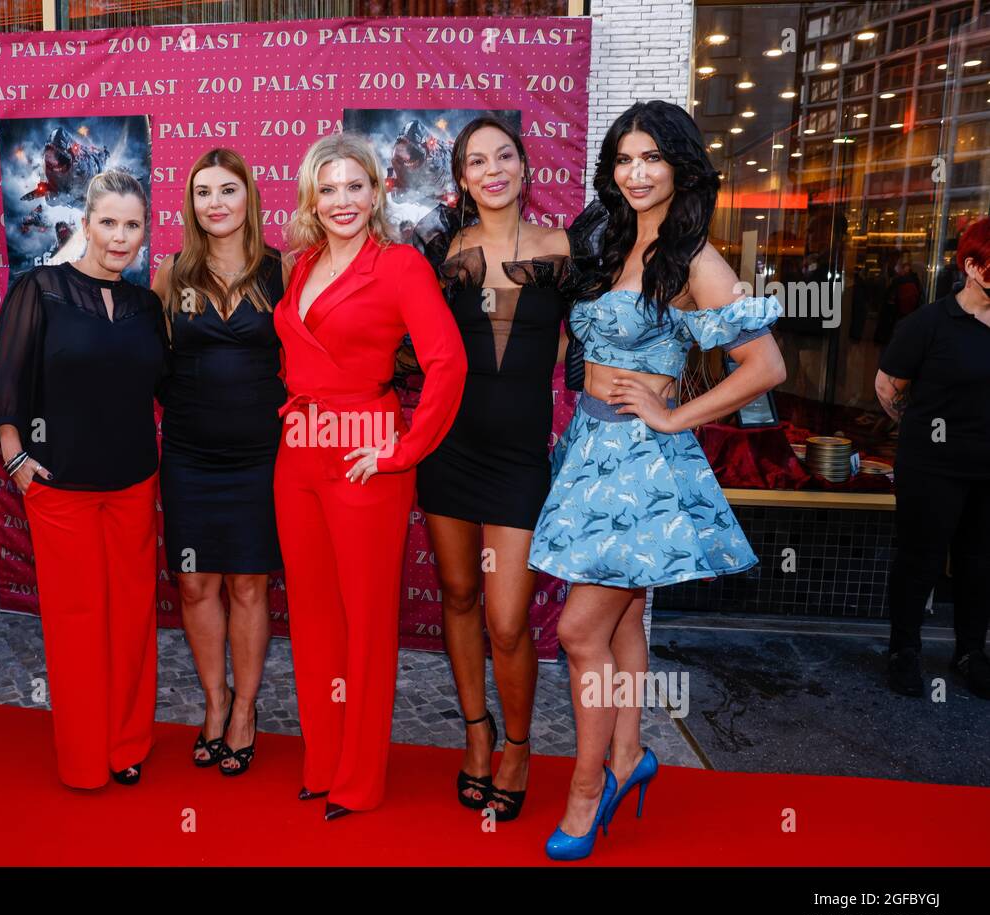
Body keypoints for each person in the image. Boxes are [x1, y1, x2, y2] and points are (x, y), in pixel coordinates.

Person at [528, 101, 785, 860]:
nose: (636, 173)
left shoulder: (695, 259)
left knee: (579, 629)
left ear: (680, 165)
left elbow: (766, 366)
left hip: (642, 466)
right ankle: (630, 755)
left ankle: (586, 792)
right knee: (624, 619)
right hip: (589, 450)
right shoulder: (610, 241)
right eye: (623, 159)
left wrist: (676, 418)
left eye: (651, 158)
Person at [275, 133, 467, 819]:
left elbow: (448, 362)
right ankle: (323, 758)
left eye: (355, 185)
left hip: (364, 455)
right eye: (328, 189)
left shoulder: (401, 266)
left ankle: (359, 777)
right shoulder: (303, 265)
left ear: (379, 189)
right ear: (311, 198)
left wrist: (403, 449)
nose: (342, 200)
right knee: (314, 617)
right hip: (298, 451)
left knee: (365, 622)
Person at [413, 117, 571, 822]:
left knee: (508, 620)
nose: (493, 168)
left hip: (517, 461)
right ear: (462, 177)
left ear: (524, 165)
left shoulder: (562, 249)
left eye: (504, 154)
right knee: (456, 593)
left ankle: (518, 745)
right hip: (449, 450)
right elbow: (406, 339)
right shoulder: (442, 252)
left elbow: (583, 340)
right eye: (477, 160)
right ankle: (476, 734)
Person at [0, 169, 167, 789]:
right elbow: (6, 385)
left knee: (132, 620)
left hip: (134, 484)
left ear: (146, 231)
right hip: (60, 487)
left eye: (133, 225)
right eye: (109, 222)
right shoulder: (40, 289)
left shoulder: (148, 305)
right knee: (76, 622)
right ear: (85, 223)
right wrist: (16, 461)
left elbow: (169, 386)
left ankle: (128, 744)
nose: (121, 237)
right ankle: (84, 755)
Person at [153, 150, 285, 776]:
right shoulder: (171, 273)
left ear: (249, 196)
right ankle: (213, 702)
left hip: (261, 455)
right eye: (203, 192)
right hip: (189, 453)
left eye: (228, 189)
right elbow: (151, 363)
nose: (215, 203)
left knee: (249, 584)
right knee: (195, 582)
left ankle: (246, 710)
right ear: (191, 204)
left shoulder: (284, 270)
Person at [876, 216, 990, 700]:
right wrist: (924, 436)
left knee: (980, 562)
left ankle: (970, 652)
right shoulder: (928, 324)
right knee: (919, 561)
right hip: (933, 467)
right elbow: (888, 388)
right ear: (974, 267)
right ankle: (904, 652)